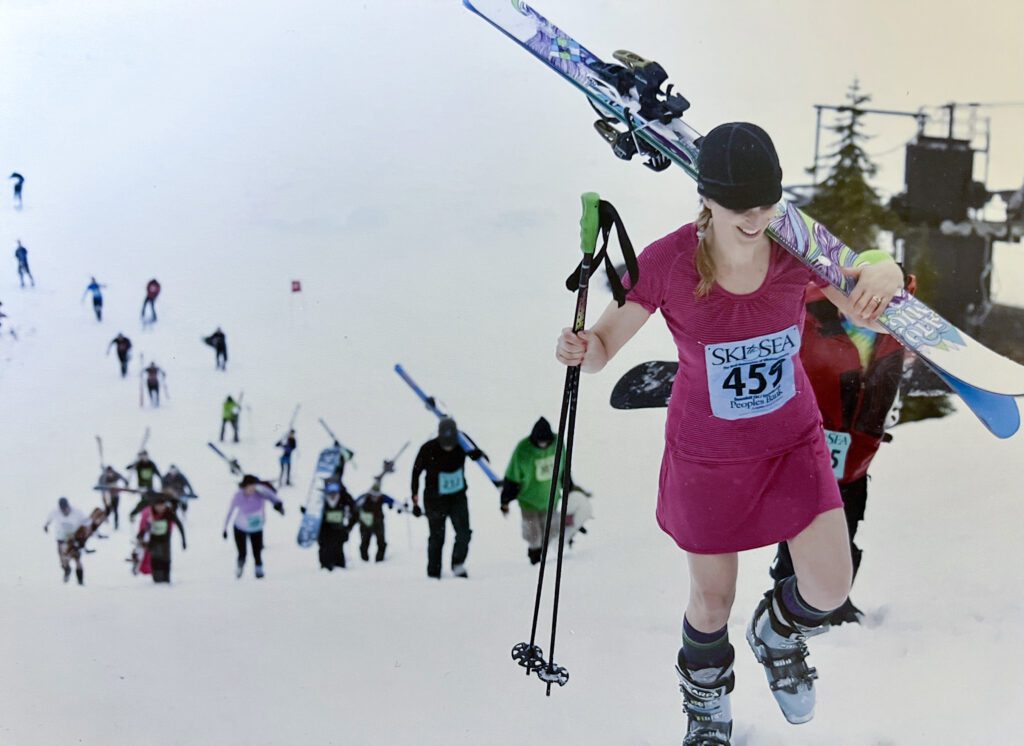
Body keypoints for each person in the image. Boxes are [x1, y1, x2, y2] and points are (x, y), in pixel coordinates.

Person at [554, 122, 904, 743]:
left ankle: (777, 631)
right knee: (711, 602)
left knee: (830, 584)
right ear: (706, 198)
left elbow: (861, 283)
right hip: (708, 456)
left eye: (767, 203)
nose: (757, 218)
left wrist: (884, 270)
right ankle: (706, 704)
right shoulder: (665, 262)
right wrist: (584, 347)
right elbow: (606, 341)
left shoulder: (795, 242)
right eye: (741, 207)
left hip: (791, 442)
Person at [768, 275, 914, 625]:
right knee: (801, 533)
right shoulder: (810, 311)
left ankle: (836, 603)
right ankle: (786, 604)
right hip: (806, 450)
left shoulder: (899, 325)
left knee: (845, 532)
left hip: (856, 458)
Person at [410, 417, 484, 579]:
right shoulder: (428, 449)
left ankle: (458, 564)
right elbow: (416, 472)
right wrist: (414, 496)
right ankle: (434, 571)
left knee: (464, 533)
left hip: (457, 497)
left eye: (451, 443)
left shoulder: (462, 442)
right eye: (445, 443)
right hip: (434, 499)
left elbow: (476, 453)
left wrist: (478, 454)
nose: (449, 447)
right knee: (437, 536)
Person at [500, 416, 567, 565]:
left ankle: (545, 555)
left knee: (551, 531)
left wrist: (568, 487)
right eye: (540, 442)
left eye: (546, 442)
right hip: (528, 501)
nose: (543, 444)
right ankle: (534, 558)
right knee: (533, 534)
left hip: (550, 499)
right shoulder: (523, 450)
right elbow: (513, 476)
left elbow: (564, 468)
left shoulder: (558, 444)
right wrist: (505, 500)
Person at [222, 474, 284, 579]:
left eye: (254, 486)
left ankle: (259, 571)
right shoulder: (238, 496)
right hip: (240, 528)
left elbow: (273, 498)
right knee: (242, 552)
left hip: (256, 528)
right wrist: (225, 528)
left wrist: (279, 506)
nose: (253, 489)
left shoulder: (260, 492)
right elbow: (230, 511)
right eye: (250, 486)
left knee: (257, 551)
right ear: (245, 486)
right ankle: (240, 567)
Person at [137, 495, 186, 584]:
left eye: (162, 505)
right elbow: (145, 527)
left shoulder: (169, 513)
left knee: (165, 561)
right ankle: (156, 578)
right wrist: (140, 535)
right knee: (156, 561)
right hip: (154, 541)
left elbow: (180, 525)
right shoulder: (150, 513)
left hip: (165, 541)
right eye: (158, 506)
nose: (160, 508)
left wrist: (183, 541)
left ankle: (166, 579)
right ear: (154, 506)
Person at [43, 497, 90, 585]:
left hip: (74, 539)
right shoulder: (55, 512)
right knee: (63, 560)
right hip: (61, 539)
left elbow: (87, 522)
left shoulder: (77, 512)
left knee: (77, 559)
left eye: (66, 509)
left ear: (68, 506)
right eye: (62, 510)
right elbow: (49, 520)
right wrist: (46, 526)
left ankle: (80, 581)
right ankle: (67, 569)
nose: (65, 511)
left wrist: (85, 532)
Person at [317, 481, 356, 570]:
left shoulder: (344, 498)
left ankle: (339, 566)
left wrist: (349, 527)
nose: (333, 495)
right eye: (331, 493)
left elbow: (354, 510)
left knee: (338, 548)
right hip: (324, 529)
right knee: (325, 548)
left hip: (339, 529)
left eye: (335, 493)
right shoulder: (321, 498)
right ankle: (326, 567)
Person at [356, 481, 396, 563]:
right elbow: (353, 505)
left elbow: (394, 502)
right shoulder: (364, 498)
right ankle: (364, 561)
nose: (375, 497)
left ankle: (380, 560)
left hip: (378, 522)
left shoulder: (382, 497)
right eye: (373, 495)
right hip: (365, 522)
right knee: (365, 542)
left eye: (377, 495)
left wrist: (397, 507)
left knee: (381, 542)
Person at [98, 465, 129, 530]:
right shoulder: (103, 477)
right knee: (107, 510)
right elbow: (100, 485)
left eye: (111, 473)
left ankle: (116, 526)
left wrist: (126, 484)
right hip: (107, 496)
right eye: (108, 473)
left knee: (115, 510)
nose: (110, 474)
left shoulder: (116, 475)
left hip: (115, 495)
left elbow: (124, 480)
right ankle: (101, 522)